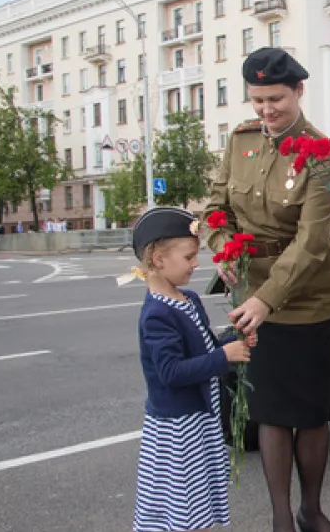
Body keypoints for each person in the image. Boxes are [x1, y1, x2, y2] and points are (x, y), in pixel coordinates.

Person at [204, 47, 330, 532]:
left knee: (307, 412)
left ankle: (312, 509)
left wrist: (266, 300)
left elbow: (311, 242)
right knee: (268, 412)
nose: (266, 111)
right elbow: (216, 207)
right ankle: (281, 518)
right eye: (258, 100)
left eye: (276, 100)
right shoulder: (240, 142)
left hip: (307, 299)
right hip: (252, 294)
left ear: (299, 91)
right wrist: (224, 249)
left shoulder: (321, 154)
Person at [130, 206, 254, 532]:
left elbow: (207, 347)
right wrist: (224, 357)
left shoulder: (187, 299)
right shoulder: (157, 314)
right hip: (178, 427)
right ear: (158, 259)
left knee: (197, 503)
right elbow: (171, 372)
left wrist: (236, 337)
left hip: (200, 419)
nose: (195, 264)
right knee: (182, 506)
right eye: (188, 257)